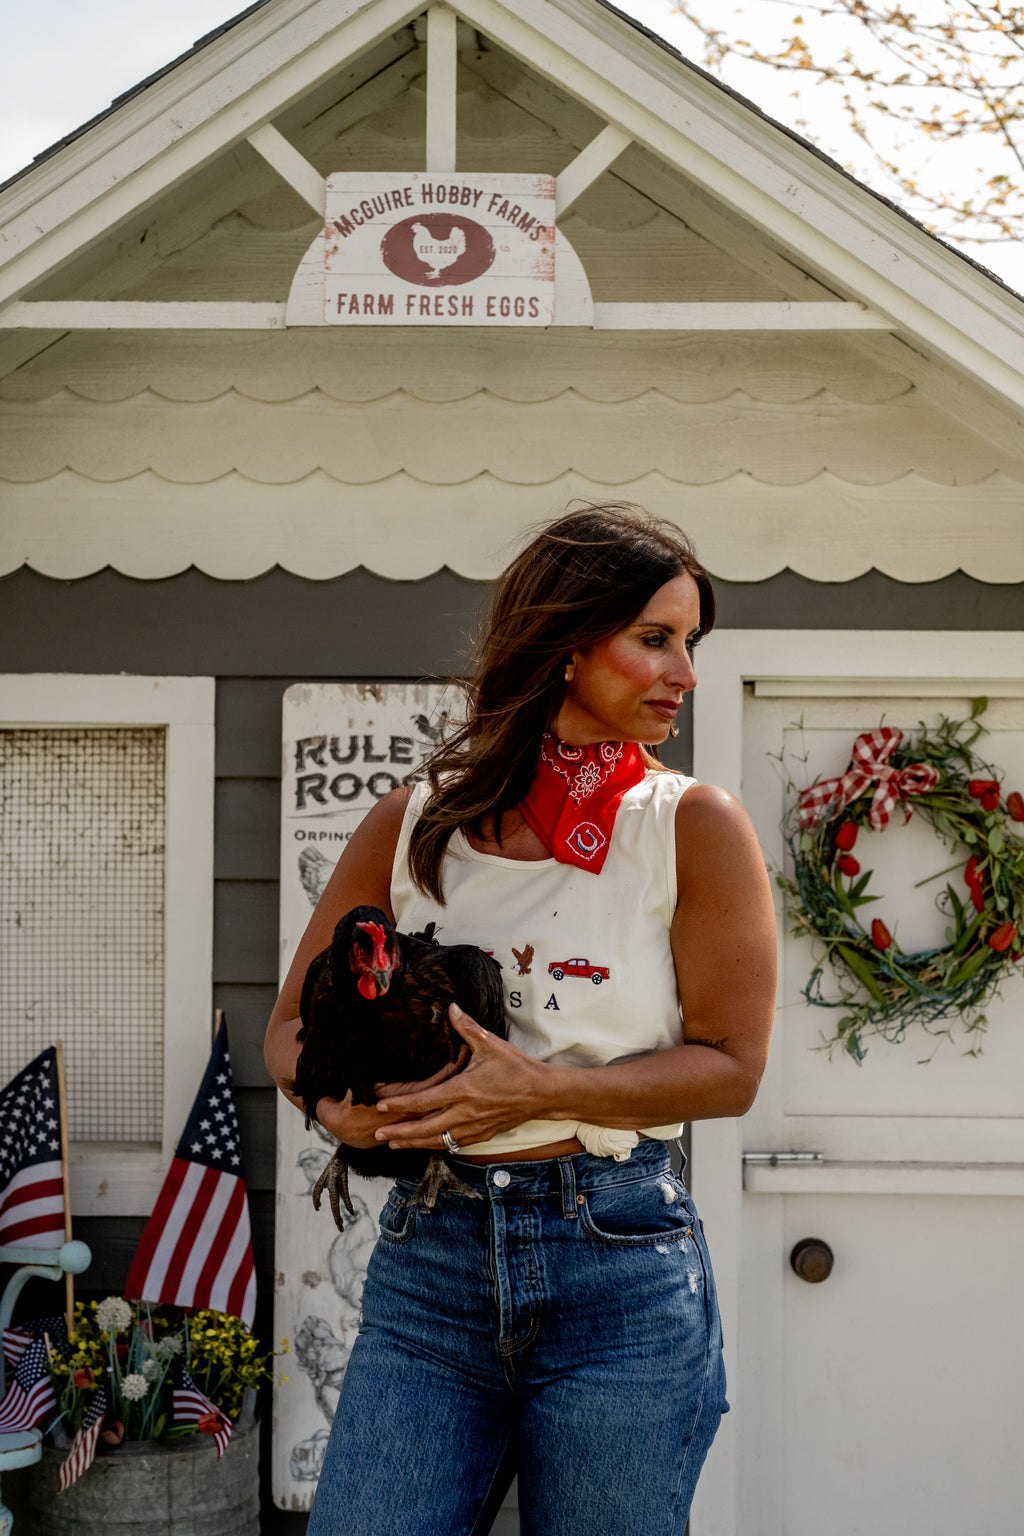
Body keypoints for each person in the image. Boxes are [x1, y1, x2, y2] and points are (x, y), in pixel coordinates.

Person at [265, 502, 777, 1536]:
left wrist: (545, 1088)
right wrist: (335, 1110)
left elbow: (729, 1070)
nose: (684, 671)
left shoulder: (690, 825)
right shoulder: (413, 822)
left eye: (690, 643)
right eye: (655, 638)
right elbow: (290, 1029)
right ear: (562, 644)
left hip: (618, 1264)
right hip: (430, 1264)